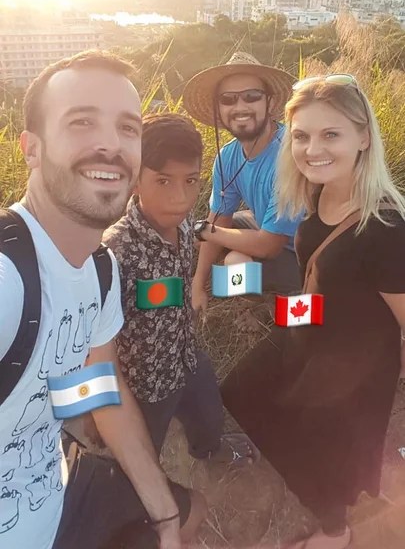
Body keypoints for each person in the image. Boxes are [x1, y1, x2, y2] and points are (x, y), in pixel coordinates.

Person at [0, 52, 206, 549]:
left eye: (127, 128)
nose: (111, 145)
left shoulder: (100, 272)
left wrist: (163, 516)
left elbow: (98, 389)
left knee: (190, 511)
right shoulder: (8, 279)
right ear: (31, 148)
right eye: (82, 122)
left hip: (59, 493)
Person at [221, 74, 405, 549]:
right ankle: (329, 489)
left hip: (352, 366)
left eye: (331, 134)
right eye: (301, 136)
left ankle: (334, 527)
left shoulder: (384, 226)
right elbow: (317, 278)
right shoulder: (318, 193)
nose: (313, 149)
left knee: (325, 448)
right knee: (238, 390)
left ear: (363, 137)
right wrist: (286, 323)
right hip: (305, 326)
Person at [102, 113, 257, 464]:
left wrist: (242, 284)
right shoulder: (115, 252)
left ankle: (212, 452)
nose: (180, 198)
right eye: (163, 181)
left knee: (209, 416)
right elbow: (95, 343)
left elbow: (180, 283)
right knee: (142, 453)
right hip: (146, 385)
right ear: (134, 179)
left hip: (188, 356)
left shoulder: (185, 225)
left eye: (190, 181)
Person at [181, 51, 302, 313]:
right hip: (263, 227)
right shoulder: (227, 156)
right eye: (228, 99)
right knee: (204, 235)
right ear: (219, 109)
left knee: (233, 264)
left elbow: (269, 246)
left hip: (302, 253)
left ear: (270, 102)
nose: (240, 107)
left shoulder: (290, 155)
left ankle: (269, 303)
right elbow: (219, 219)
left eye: (252, 96)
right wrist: (197, 285)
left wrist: (207, 232)